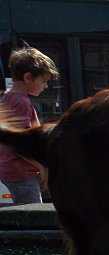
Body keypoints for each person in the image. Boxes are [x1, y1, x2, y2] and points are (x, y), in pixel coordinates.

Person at [0, 47, 58, 204]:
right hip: (21, 174)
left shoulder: (7, 97)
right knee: (31, 215)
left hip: (10, 170)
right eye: (44, 81)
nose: (45, 86)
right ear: (28, 77)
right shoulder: (21, 102)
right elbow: (20, 143)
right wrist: (41, 166)